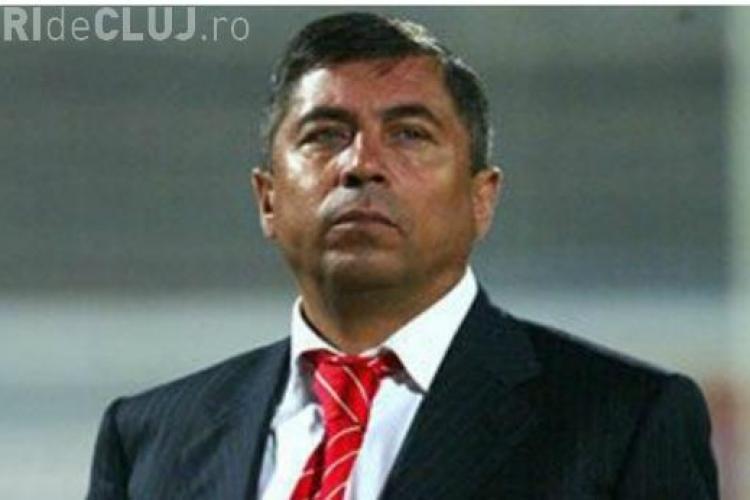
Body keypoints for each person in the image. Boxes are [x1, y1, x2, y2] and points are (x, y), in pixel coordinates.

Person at [86, 12, 719, 500]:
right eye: (325, 135)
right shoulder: (148, 439)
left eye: (410, 134)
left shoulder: (623, 421)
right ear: (268, 199)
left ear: (481, 198)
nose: (362, 164)